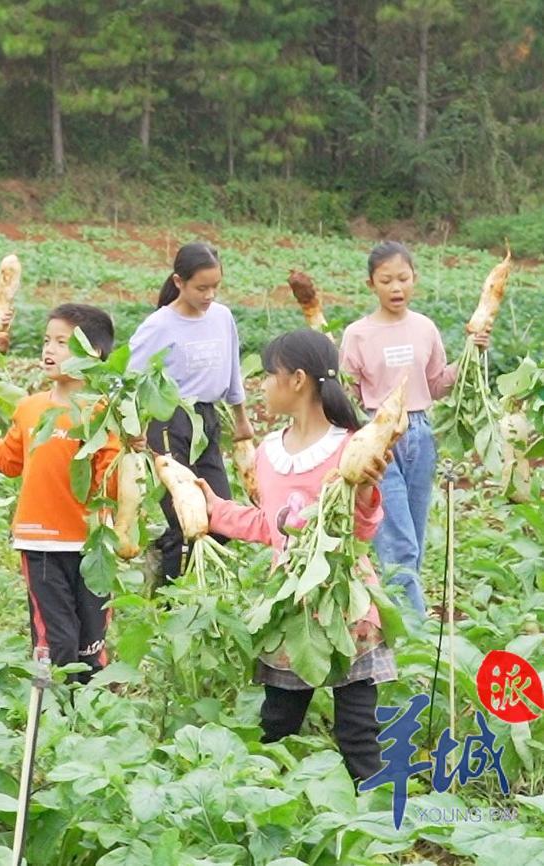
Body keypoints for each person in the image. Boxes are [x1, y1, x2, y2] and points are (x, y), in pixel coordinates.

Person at [200, 329, 394, 783]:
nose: (262, 386)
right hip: (293, 608)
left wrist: (366, 492)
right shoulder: (270, 452)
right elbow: (272, 527)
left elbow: (362, 532)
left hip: (345, 602)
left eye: (269, 375)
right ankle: (269, 807)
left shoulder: (352, 447)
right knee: (277, 725)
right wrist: (215, 510)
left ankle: (381, 827)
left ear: (298, 380)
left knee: (358, 731)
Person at [0, 304, 121, 682]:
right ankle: (49, 711)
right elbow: (9, 461)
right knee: (56, 638)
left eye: (62, 343)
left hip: (92, 546)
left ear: (96, 356)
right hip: (41, 543)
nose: (50, 350)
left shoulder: (106, 415)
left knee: (91, 639)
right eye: (47, 340)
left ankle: (88, 710)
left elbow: (115, 484)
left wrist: (133, 450)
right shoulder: (30, 408)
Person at [339, 241, 491, 617]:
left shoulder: (424, 327)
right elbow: (349, 393)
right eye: (386, 280)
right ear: (370, 283)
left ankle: (395, 620)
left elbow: (437, 383)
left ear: (414, 280)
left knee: (415, 541)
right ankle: (414, 636)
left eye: (403, 279)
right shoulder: (357, 334)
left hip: (421, 434)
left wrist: (473, 354)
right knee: (397, 542)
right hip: (380, 439)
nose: (396, 288)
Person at [129, 242, 253, 585]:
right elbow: (129, 378)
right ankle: (171, 599)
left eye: (215, 287)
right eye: (201, 287)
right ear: (179, 282)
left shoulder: (222, 317)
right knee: (185, 517)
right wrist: (130, 429)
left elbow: (232, 372)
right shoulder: (160, 325)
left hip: (207, 420)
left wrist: (241, 419)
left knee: (221, 515)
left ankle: (162, 552)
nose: (209, 294)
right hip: (169, 422)